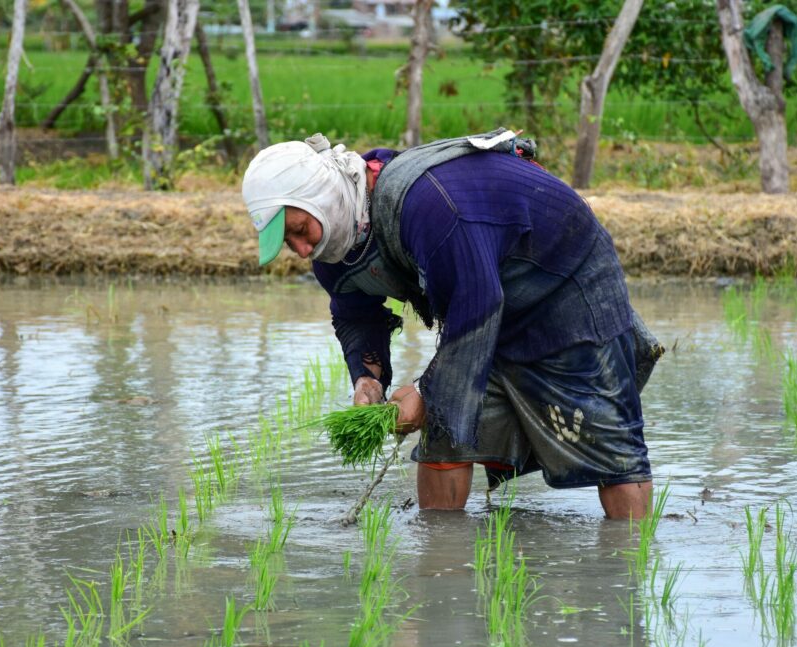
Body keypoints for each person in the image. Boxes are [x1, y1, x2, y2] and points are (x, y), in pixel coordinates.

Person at [241, 130, 661, 519]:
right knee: (444, 435)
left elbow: (476, 304)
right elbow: (356, 316)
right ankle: (441, 564)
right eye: (287, 242)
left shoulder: (430, 206)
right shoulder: (336, 244)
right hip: (486, 302)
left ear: (321, 197)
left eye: (298, 230)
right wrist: (367, 382)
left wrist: (425, 392)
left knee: (610, 447)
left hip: (565, 287)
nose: (300, 249)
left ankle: (627, 565)